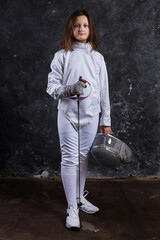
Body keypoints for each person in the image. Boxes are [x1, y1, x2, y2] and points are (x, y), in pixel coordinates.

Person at [46, 9, 112, 229]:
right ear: (70, 29)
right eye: (77, 25)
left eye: (85, 25)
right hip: (67, 115)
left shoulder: (97, 58)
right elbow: (52, 86)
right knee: (69, 159)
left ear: (90, 29)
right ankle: (71, 208)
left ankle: (78, 199)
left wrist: (106, 122)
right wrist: (69, 89)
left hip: (91, 116)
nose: (81, 29)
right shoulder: (61, 55)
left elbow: (104, 91)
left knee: (83, 158)